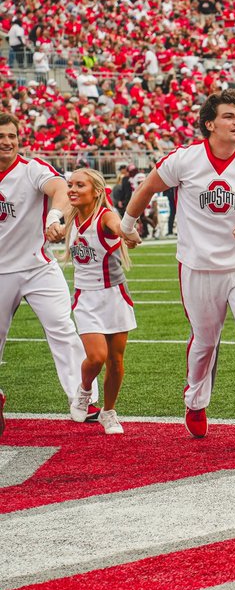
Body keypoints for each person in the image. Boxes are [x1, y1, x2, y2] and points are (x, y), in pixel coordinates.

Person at [120, 90, 235, 442]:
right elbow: (147, 188)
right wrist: (127, 227)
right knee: (205, 342)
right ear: (209, 124)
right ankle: (195, 401)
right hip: (198, 266)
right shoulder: (185, 159)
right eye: (230, 116)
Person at [0, 112, 96, 429]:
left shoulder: (32, 169)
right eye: (2, 136)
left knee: (62, 329)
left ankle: (84, 398)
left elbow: (60, 189)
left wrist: (54, 216)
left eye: (12, 136)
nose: (7, 142)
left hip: (38, 265)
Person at [60, 168, 134, 435]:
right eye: (70, 185)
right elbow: (54, 228)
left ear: (96, 191)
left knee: (115, 360)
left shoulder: (105, 217)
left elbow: (117, 226)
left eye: (80, 185)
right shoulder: (70, 218)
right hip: (86, 296)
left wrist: (127, 233)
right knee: (96, 356)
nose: (72, 189)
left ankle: (109, 411)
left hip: (114, 294)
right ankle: (85, 390)